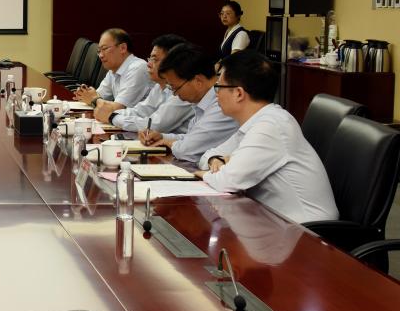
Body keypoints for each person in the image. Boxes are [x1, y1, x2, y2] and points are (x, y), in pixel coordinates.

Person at [197, 50, 338, 223]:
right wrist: (216, 160)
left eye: (219, 86)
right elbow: (207, 156)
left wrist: (204, 174)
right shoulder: (257, 121)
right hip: (273, 221)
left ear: (239, 93)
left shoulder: (271, 126)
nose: (216, 93)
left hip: (306, 230)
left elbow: (227, 181)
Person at [138, 43, 239, 163]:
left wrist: (168, 142)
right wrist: (162, 137)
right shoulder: (203, 101)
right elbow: (191, 137)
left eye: (175, 88)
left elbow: (187, 151)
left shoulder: (222, 104)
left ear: (198, 81)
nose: (174, 94)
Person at [94, 34, 194, 134]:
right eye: (150, 59)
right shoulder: (159, 86)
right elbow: (140, 111)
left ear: (172, 62)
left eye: (155, 60)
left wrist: (112, 117)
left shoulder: (183, 91)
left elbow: (155, 125)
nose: (148, 64)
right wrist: (110, 113)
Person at [73, 28, 150, 110]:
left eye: (104, 49)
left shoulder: (138, 68)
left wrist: (93, 99)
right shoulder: (113, 70)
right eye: (99, 51)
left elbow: (119, 108)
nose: (100, 55)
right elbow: (99, 96)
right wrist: (85, 94)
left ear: (123, 48)